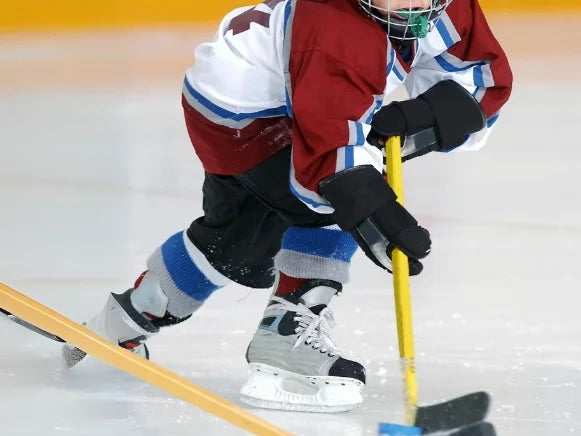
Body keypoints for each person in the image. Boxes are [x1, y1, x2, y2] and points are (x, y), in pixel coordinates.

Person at [63, 0, 512, 413]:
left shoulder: (449, 8)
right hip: (249, 116)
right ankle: (284, 336)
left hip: (227, 92)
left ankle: (130, 315)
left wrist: (424, 118)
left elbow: (483, 76)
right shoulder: (340, 31)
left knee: (235, 241)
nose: (408, 4)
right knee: (334, 204)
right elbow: (329, 166)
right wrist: (377, 212)